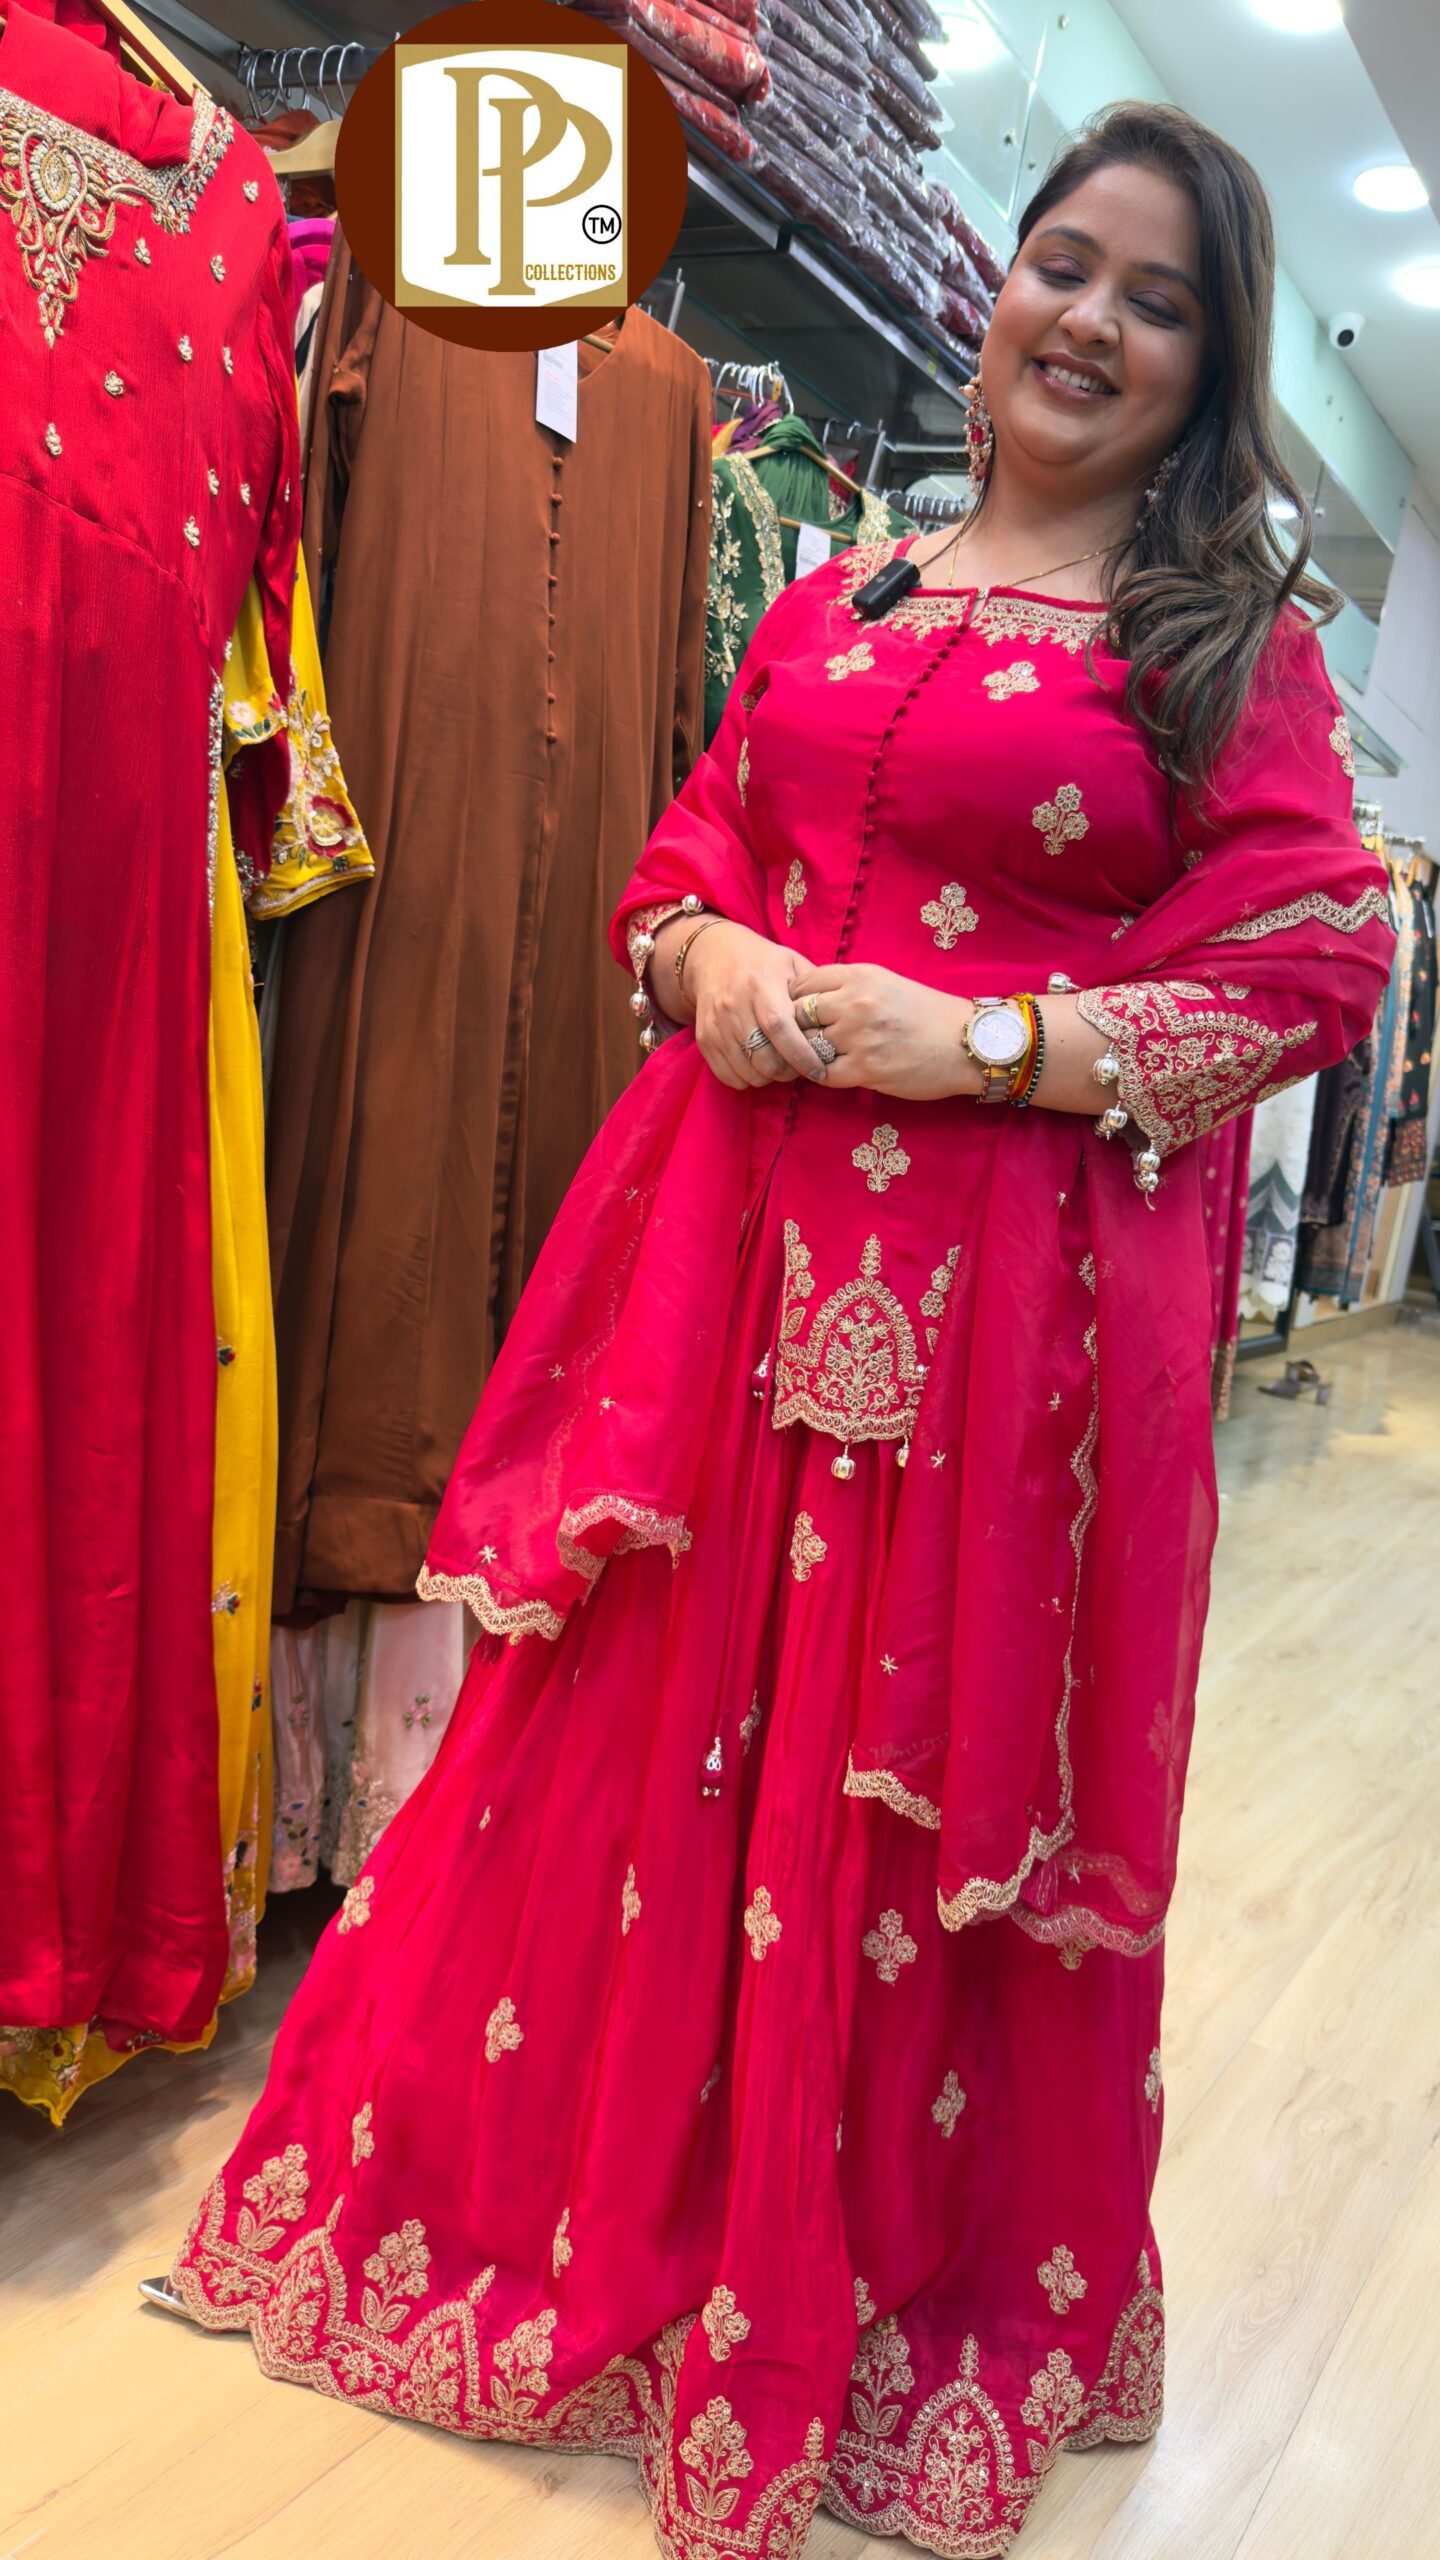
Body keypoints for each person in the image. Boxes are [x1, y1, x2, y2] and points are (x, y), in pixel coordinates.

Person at [165, 103, 1392, 2560]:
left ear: (1211, 361)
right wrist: (700, 950)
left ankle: (855, 2276)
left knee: (903, 1764)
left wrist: (1001, 1043)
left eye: (1157, 298)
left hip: (1002, 1322)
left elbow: (1319, 951)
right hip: (724, 1277)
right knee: (661, 1714)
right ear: (998, 288)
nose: (1088, 320)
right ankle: (606, 2207)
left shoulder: (1219, 656)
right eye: (1064, 263)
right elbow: (694, 834)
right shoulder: (841, 587)